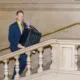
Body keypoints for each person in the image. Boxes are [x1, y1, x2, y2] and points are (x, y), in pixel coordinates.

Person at [8, 10, 27, 80]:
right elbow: (10, 38)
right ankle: (15, 76)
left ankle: (15, 76)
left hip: (23, 46)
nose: (21, 17)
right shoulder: (12, 26)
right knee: (24, 59)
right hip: (15, 46)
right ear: (16, 17)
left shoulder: (25, 25)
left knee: (22, 62)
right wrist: (17, 44)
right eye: (20, 16)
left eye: (22, 16)